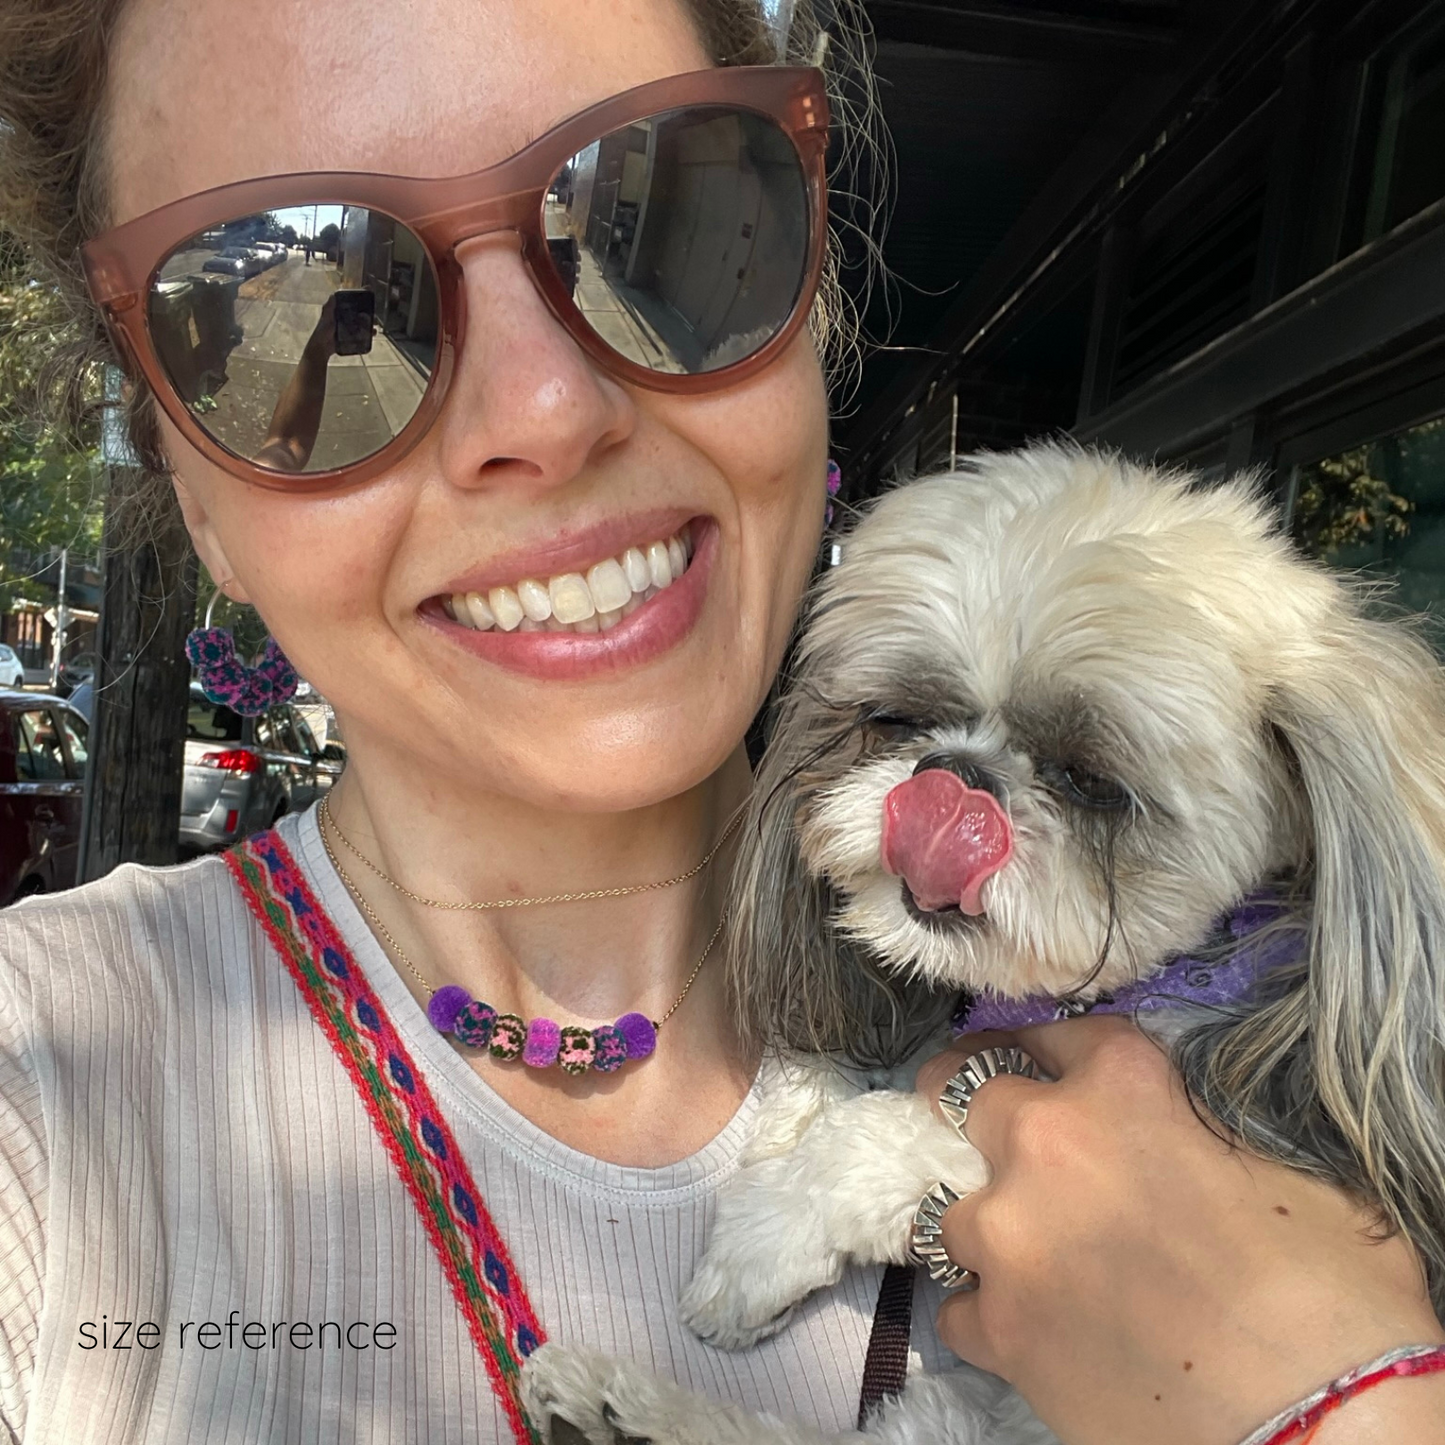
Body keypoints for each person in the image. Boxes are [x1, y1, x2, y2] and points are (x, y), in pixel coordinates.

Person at [0, 4, 1437, 1445]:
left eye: (657, 232)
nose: (544, 411)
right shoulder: (46, 1098)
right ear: (190, 491)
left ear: (810, 309)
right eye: (320, 308)